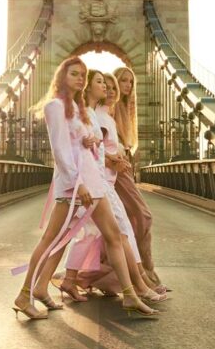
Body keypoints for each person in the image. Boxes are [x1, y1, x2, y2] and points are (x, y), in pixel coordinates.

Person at [11, 57, 157, 319]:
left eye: (82, 74)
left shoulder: (80, 109)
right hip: (74, 186)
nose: (80, 78)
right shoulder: (55, 106)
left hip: (94, 182)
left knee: (114, 235)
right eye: (74, 74)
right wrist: (76, 185)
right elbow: (60, 150)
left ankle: (130, 295)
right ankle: (24, 295)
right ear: (62, 77)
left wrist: (89, 141)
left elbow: (82, 144)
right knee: (51, 240)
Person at [47, 70, 166, 302]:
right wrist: (108, 160)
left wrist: (104, 153)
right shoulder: (89, 115)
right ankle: (140, 284)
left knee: (89, 233)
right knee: (119, 231)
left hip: (99, 182)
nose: (110, 89)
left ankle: (72, 280)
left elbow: (92, 148)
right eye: (102, 83)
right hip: (95, 183)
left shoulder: (96, 114)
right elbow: (71, 150)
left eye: (112, 85)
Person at [113, 66, 165, 288]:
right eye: (123, 80)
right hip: (117, 171)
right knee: (143, 216)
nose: (127, 85)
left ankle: (130, 277)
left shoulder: (125, 110)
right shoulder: (110, 108)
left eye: (131, 82)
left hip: (124, 168)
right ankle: (147, 270)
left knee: (126, 222)